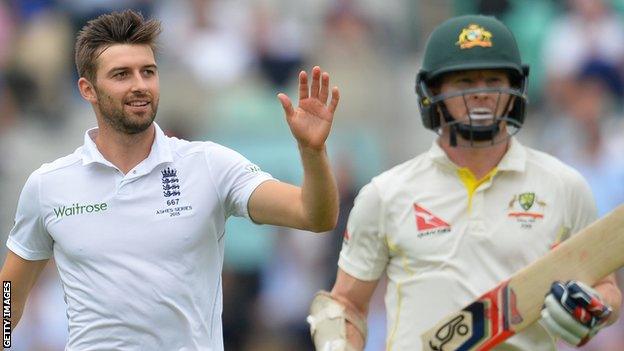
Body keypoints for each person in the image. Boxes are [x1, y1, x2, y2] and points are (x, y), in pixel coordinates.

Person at [0, 10, 340, 350]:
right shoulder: (48, 185)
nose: (139, 85)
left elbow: (314, 215)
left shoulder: (209, 164)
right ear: (88, 89)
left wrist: (312, 151)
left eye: (148, 72)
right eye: (121, 74)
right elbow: (8, 298)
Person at [307, 15, 621, 351]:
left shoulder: (563, 185)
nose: (480, 94)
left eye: (492, 80)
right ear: (433, 92)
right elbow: (345, 304)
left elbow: (607, 289)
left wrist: (593, 307)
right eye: (465, 82)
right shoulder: (386, 194)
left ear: (514, 89)